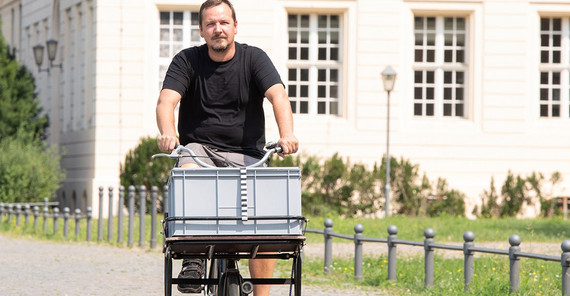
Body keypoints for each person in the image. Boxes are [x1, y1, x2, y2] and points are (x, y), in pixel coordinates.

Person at [155, 0, 298, 295]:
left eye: (223, 22)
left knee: (266, 220)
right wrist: (168, 134)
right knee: (189, 168)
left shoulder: (254, 59)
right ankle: (193, 260)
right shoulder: (187, 61)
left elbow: (278, 97)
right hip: (201, 150)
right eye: (210, 24)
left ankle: (262, 293)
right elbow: (166, 101)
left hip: (248, 154)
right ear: (201, 30)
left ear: (234, 26)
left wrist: (287, 135)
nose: (217, 29)